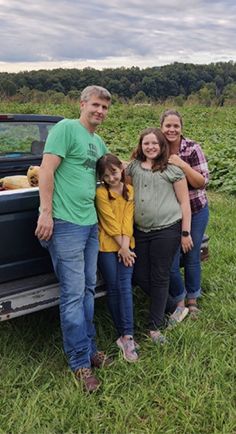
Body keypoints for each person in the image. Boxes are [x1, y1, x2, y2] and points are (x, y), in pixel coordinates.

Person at [35, 85, 113, 393]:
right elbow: (47, 170)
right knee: (72, 293)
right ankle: (79, 362)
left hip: (90, 222)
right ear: (81, 104)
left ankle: (91, 349)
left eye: (105, 108)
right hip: (65, 223)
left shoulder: (97, 141)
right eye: (95, 105)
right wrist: (45, 213)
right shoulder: (66, 129)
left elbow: (108, 175)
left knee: (88, 290)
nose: (100, 111)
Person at [125, 128, 193, 346]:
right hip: (141, 230)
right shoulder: (133, 167)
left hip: (167, 229)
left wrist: (185, 233)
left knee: (160, 275)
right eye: (146, 143)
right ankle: (174, 308)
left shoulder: (172, 170)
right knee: (140, 275)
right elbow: (125, 192)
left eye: (155, 143)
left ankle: (154, 328)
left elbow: (184, 203)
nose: (150, 147)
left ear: (162, 146)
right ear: (141, 145)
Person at [160, 109, 210, 319]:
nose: (172, 130)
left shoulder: (192, 149)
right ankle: (179, 301)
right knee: (170, 261)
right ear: (161, 128)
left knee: (191, 255)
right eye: (168, 126)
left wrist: (181, 164)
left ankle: (193, 300)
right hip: (168, 214)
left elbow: (202, 182)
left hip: (196, 209)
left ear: (181, 128)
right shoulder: (156, 148)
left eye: (176, 126)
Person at [95, 153, 139, 362]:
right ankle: (122, 334)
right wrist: (121, 246)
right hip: (107, 246)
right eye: (106, 176)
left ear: (121, 168)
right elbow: (109, 221)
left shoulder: (129, 190)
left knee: (125, 286)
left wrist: (124, 246)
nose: (112, 178)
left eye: (114, 172)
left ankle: (128, 335)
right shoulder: (101, 193)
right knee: (113, 288)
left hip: (126, 246)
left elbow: (127, 219)